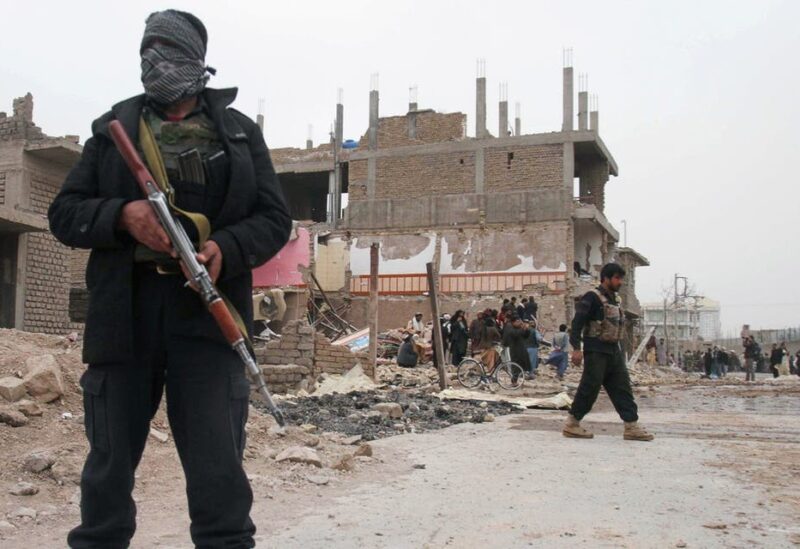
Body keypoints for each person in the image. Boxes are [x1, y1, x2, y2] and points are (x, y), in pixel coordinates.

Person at [48, 10, 292, 548]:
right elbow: (64, 213)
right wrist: (121, 216)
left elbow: (275, 220)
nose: (154, 64)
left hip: (207, 322)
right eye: (146, 53)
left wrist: (224, 249)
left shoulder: (238, 133)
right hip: (124, 323)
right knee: (107, 478)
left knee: (218, 478)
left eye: (167, 52)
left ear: (196, 61)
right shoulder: (112, 132)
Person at [562, 263, 654, 442]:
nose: (620, 282)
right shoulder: (592, 297)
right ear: (606, 278)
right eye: (617, 278)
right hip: (595, 351)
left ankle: (631, 426)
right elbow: (577, 324)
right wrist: (576, 349)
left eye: (621, 278)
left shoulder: (614, 300)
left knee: (622, 388)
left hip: (613, 351)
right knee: (590, 388)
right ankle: (572, 423)